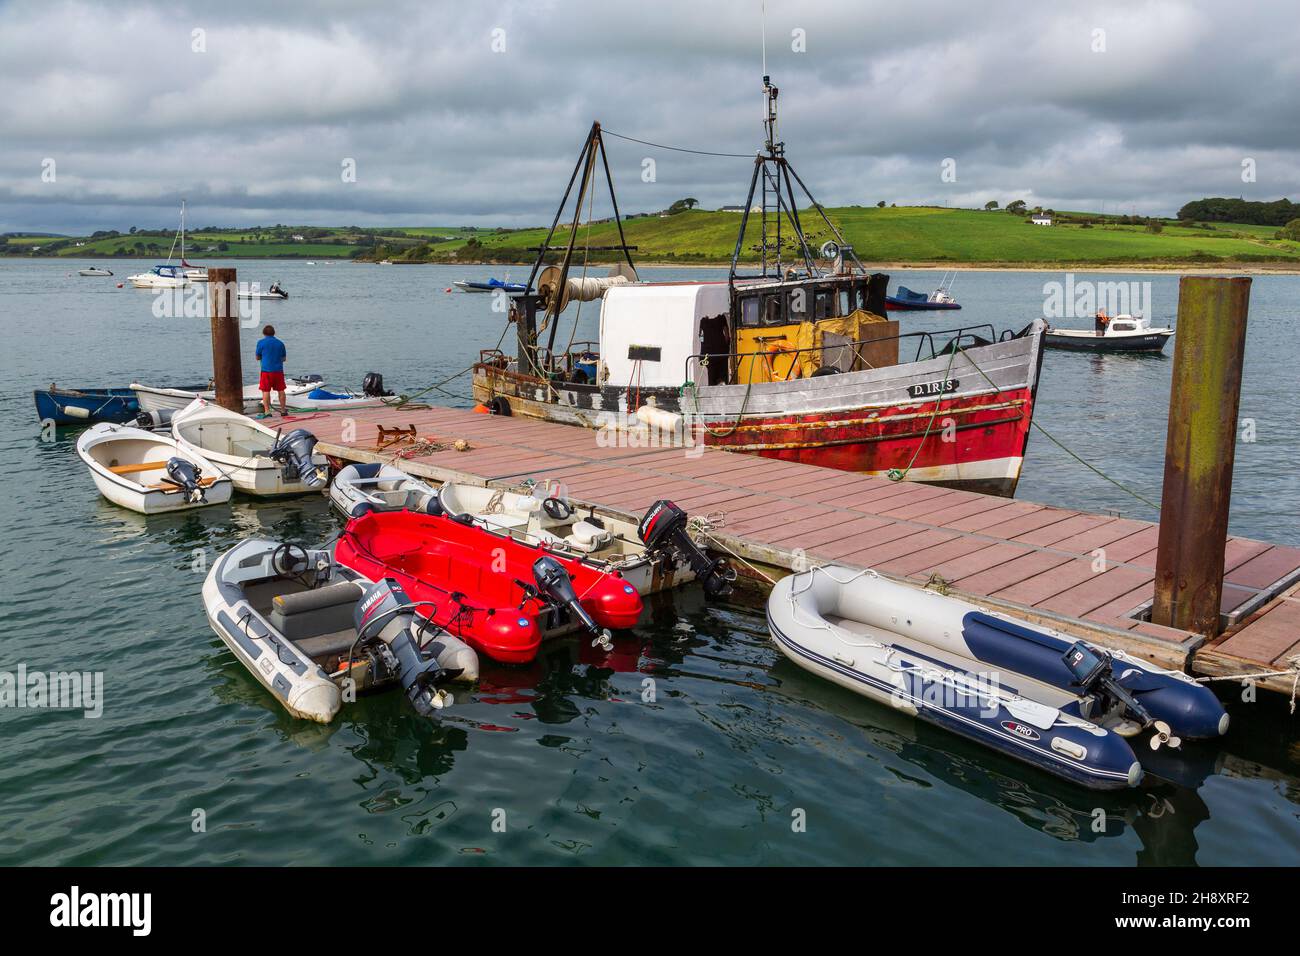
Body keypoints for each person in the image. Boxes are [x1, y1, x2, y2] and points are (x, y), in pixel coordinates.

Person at [255, 324, 288, 417]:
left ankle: (267, 411)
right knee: (281, 390)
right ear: (274, 333)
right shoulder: (280, 343)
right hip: (278, 371)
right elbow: (284, 359)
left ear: (264, 333)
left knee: (266, 391)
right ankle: (283, 410)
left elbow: (257, 357)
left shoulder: (261, 343)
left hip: (266, 371)